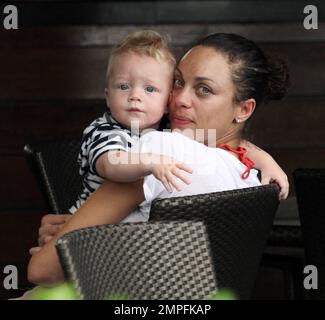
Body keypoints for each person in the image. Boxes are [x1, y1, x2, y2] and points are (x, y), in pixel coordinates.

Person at [28, 32, 290, 285]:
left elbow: (43, 269)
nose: (180, 100)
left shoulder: (160, 150)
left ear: (244, 109)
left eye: (204, 90)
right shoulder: (254, 177)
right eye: (177, 82)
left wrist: (63, 238)